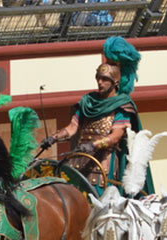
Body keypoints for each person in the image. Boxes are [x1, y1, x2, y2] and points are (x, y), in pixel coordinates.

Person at [40, 35, 153, 196]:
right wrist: (54, 137)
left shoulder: (122, 105)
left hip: (101, 167)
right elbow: (72, 128)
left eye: (105, 79)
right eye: (98, 78)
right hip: (78, 162)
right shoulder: (88, 101)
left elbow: (115, 137)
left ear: (116, 82)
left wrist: (93, 145)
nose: (100, 82)